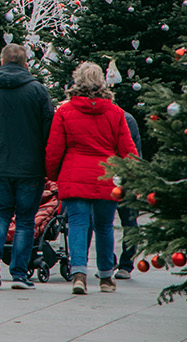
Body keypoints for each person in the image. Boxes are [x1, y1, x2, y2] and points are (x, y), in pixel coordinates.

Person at [0, 43, 55, 290]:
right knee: (26, 219)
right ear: (26, 63)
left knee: (0, 212)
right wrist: (50, 162)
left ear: (2, 62)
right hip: (30, 166)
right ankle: (19, 273)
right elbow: (49, 129)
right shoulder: (38, 91)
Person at [46, 62, 138, 295]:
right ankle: (106, 277)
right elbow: (128, 150)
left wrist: (53, 175)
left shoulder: (65, 111)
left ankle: (79, 274)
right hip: (107, 176)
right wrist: (133, 176)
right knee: (105, 226)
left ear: (77, 81)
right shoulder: (116, 113)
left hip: (75, 173)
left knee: (77, 224)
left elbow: (54, 149)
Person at [114, 107, 143, 279]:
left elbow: (130, 151)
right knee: (103, 223)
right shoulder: (126, 118)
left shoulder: (126, 119)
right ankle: (119, 263)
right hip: (116, 174)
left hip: (125, 176)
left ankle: (125, 264)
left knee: (129, 221)